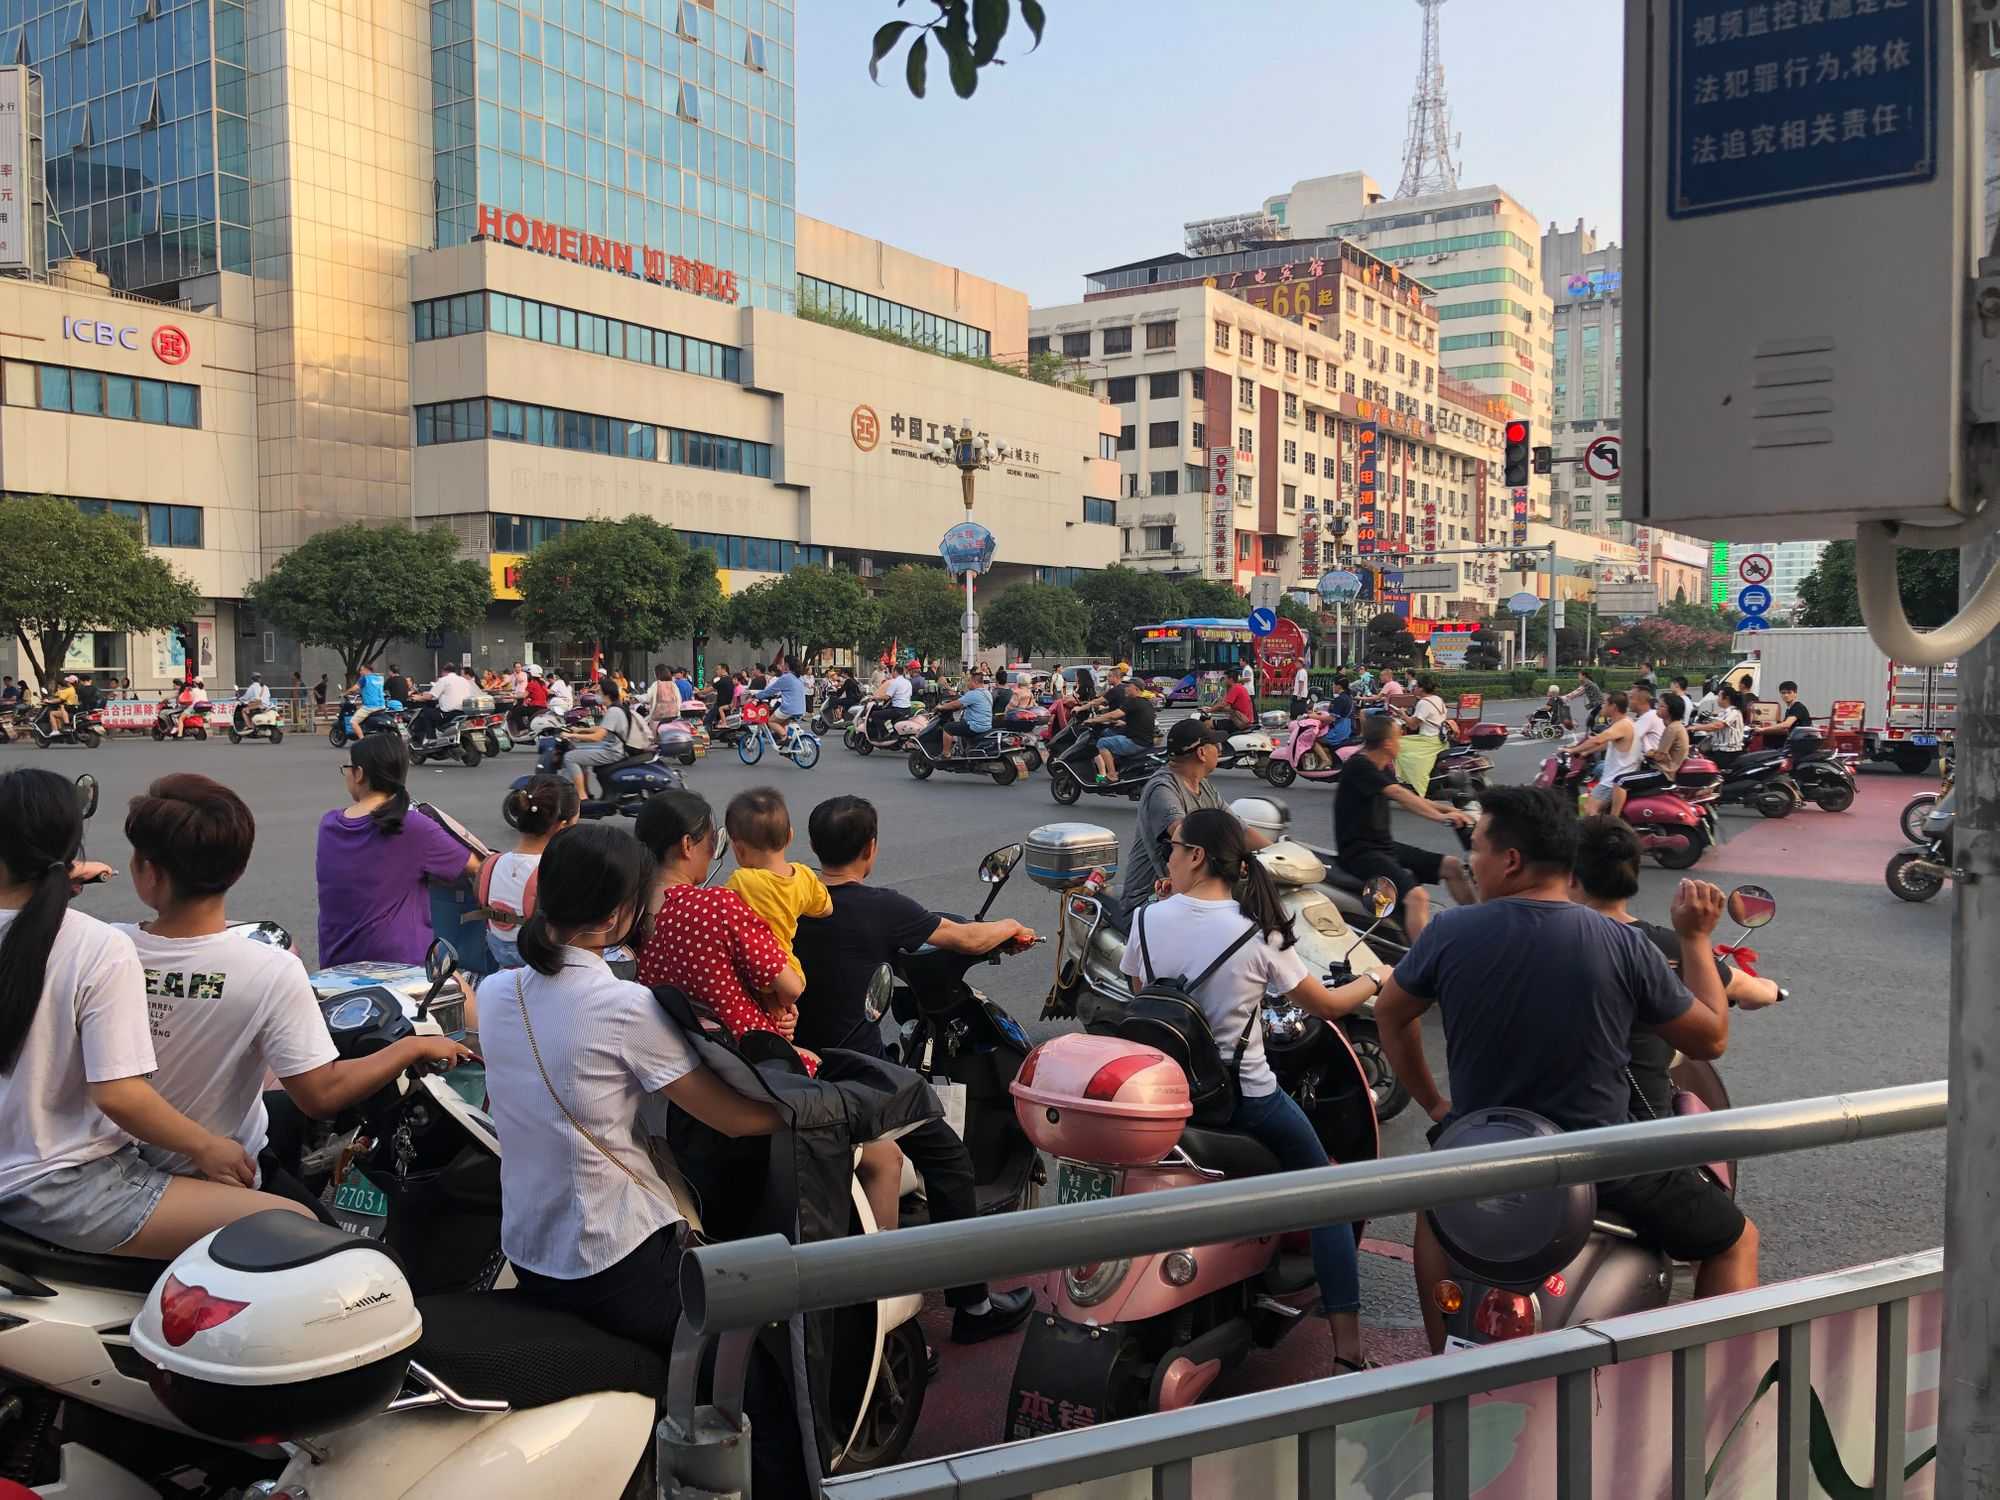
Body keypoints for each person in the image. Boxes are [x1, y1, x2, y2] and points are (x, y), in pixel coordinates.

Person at [473, 822, 805, 1493]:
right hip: (612, 1258)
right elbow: (731, 1117)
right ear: (622, 912)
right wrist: (814, 1107)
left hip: (531, 1252)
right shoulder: (623, 1005)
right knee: (755, 1362)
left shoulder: (496, 993)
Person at [1372, 789, 1746, 1352]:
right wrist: (1695, 938)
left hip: (1485, 1161)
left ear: (1511, 861)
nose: (1472, 862)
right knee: (1736, 1241)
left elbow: (1390, 1014)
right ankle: (1725, 1382)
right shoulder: (1622, 943)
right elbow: (1711, 1038)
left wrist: (1434, 1105)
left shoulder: (1451, 933)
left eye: (1476, 849)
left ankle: (1439, 1365)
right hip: (1603, 1167)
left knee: (1435, 1211)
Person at [1120, 808, 1393, 1374]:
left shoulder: (1146, 919)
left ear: (1196, 856)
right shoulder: (1258, 931)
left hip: (1170, 1096)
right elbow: (1327, 1005)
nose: (1165, 855)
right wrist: (1377, 978)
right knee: (1330, 1202)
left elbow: (1145, 994)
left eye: (1172, 846)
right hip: (1244, 1100)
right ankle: (1347, 1351)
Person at [0, 768, 313, 1259]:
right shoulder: (97, 947)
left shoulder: (100, 941)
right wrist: (206, 1147)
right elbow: (119, 1094)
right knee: (297, 1225)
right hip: (63, 1188)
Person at [117, 774, 472, 1193]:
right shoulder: (269, 968)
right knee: (340, 1249)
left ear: (148, 872)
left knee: (283, 1113)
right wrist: (413, 1046)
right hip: (216, 1171)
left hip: (118, 1158)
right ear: (238, 867)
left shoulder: (107, 944)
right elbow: (321, 1094)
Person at [1571, 816, 1780, 1121]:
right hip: (1632, 1132)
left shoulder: (1540, 938)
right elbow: (1739, 1007)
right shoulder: (1663, 946)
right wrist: (1772, 989)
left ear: (1569, 876)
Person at [316, 735, 481, 966]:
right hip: (401, 966)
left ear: (360, 773)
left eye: (347, 768)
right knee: (468, 997)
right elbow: (477, 868)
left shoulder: (329, 824)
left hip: (336, 962)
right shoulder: (414, 826)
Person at [1331, 715, 1476, 939]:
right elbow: (1398, 794)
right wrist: (1439, 818)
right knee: (1417, 897)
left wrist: (1452, 811)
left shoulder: (1381, 768)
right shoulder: (1359, 765)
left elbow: (1407, 796)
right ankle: (1423, 966)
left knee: (1453, 866)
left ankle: (1479, 927)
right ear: (1388, 743)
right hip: (1360, 853)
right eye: (1399, 738)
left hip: (1384, 846)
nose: (1402, 742)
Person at [722, 788, 832, 989]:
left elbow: (721, 916)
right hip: (788, 970)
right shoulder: (804, 875)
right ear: (790, 836)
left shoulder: (742, 880)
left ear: (739, 849)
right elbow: (826, 909)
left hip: (749, 969)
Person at [483, 775, 583, 969]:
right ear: (563, 826)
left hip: (500, 956)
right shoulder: (555, 869)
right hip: (540, 960)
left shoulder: (492, 862)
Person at [561, 678, 644, 803]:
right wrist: (579, 730)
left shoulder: (613, 711)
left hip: (613, 751)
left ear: (607, 695)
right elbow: (603, 728)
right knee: (578, 752)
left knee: (570, 757)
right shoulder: (618, 708)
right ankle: (587, 792)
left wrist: (572, 736)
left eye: (599, 692)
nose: (596, 695)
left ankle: (582, 796)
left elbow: (597, 737)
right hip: (615, 748)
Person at [1571, 691, 1646, 820]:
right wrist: (1586, 752)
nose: (1602, 706)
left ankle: (1600, 836)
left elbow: (1598, 739)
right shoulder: (1625, 722)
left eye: (1606, 703)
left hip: (1613, 780)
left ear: (1614, 707)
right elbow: (1608, 743)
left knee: (1589, 811)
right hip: (1616, 775)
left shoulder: (1622, 725)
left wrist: (1572, 750)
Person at [1090, 671, 1158, 785]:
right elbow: (1141, 721)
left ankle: (1111, 775)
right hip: (1145, 741)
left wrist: (1094, 720)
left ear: (1136, 689)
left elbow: (1113, 714)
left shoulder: (1133, 702)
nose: (1125, 689)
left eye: (1128, 687)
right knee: (1108, 733)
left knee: (1102, 742)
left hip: (1135, 742)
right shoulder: (1146, 703)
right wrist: (1124, 723)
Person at [1391, 674, 1450, 795]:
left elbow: (1413, 725)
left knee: (1395, 746)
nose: (1414, 688)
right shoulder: (1437, 699)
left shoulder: (1424, 702)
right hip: (1439, 740)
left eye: (1416, 686)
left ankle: (1408, 781)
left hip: (1428, 741)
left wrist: (1402, 714)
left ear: (1422, 688)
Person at [408, 665, 474, 747]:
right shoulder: (464, 680)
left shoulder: (444, 680)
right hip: (464, 712)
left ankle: (431, 739)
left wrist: (418, 697)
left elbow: (430, 697)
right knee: (435, 711)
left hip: (449, 714)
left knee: (426, 712)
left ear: (444, 672)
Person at [937, 669, 993, 760]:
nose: (968, 683)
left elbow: (956, 704)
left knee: (948, 728)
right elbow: (963, 703)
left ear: (974, 681)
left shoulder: (974, 694)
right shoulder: (987, 693)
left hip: (975, 726)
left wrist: (941, 707)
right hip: (986, 725)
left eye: (969, 681)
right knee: (961, 724)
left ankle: (945, 754)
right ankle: (964, 751)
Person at [752, 656, 807, 737]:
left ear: (787, 665)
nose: (780, 665)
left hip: (789, 709)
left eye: (782, 663)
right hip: (801, 708)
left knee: (771, 721)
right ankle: (785, 739)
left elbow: (770, 691)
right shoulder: (799, 677)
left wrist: (756, 696)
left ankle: (785, 738)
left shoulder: (786, 677)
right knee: (782, 723)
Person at [1647, 692, 1692, 777]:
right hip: (1668, 770)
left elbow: (1660, 756)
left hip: (1665, 772)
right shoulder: (1676, 726)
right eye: (1658, 705)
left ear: (1671, 710)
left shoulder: (1672, 728)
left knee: (1621, 780)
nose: (1657, 708)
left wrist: (1649, 753)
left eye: (1661, 706)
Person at [351, 659, 387, 732]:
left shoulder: (365, 678)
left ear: (366, 670)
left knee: (353, 722)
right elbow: (373, 689)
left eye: (361, 670)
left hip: (370, 706)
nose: (360, 672)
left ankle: (362, 740)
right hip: (382, 705)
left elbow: (353, 689)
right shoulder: (379, 678)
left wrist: (344, 693)